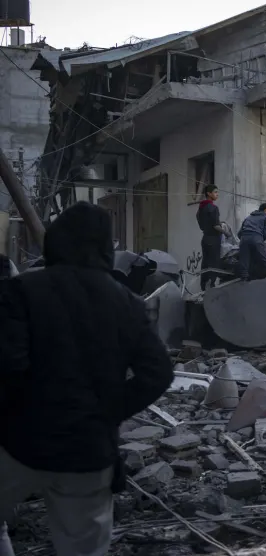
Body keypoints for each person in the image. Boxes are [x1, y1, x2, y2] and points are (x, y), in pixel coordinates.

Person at [0, 202, 173, 556]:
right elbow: (158, 372)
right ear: (106, 249)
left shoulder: (21, 291)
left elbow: (8, 366)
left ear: (56, 242)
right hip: (88, 452)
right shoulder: (126, 302)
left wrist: (22, 411)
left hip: (19, 443)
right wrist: (106, 412)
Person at [238, 203, 266, 281]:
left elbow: (239, 233)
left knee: (244, 261)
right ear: (265, 211)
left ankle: (244, 280)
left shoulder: (248, 217)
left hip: (244, 239)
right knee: (265, 259)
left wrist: (244, 240)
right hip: (256, 238)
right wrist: (259, 240)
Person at [196, 185, 223, 291]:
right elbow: (216, 226)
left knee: (205, 263)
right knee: (214, 263)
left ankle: (203, 287)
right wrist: (226, 232)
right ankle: (211, 285)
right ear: (208, 193)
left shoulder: (201, 208)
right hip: (214, 239)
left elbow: (201, 223)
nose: (217, 194)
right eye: (215, 192)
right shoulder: (213, 208)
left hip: (205, 238)